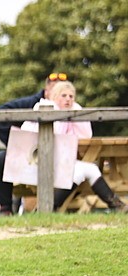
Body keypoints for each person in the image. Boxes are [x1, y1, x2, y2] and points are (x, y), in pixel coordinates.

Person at [20, 80, 127, 213]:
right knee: (78, 171)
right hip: (37, 163)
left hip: (59, 162)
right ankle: (49, 207)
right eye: (63, 96)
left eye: (71, 96)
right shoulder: (44, 108)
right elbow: (42, 135)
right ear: (55, 96)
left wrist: (77, 113)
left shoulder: (70, 115)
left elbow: (85, 136)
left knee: (89, 169)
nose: (68, 99)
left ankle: (116, 206)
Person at [0, 72, 63, 215]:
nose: (62, 96)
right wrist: (14, 143)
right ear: (46, 92)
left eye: (64, 92)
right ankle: (6, 208)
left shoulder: (73, 107)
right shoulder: (32, 104)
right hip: (31, 156)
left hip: (62, 157)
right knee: (0, 160)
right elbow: (2, 112)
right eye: (56, 90)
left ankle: (54, 207)